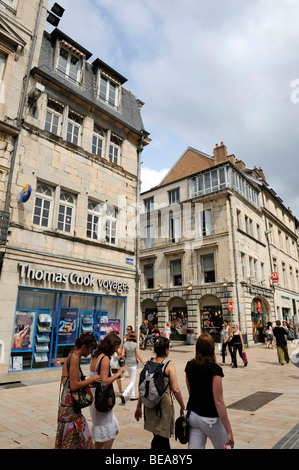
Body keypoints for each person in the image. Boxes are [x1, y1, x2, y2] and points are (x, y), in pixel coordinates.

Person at [134, 336, 185, 450]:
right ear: (166, 350)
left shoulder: (149, 363)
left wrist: (138, 407)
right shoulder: (168, 364)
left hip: (150, 405)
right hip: (163, 406)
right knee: (162, 439)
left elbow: (142, 387)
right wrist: (182, 406)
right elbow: (176, 390)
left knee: (157, 437)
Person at [185, 333, 234, 449]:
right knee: (224, 447)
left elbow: (191, 392)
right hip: (210, 418)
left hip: (193, 416)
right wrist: (229, 430)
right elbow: (218, 401)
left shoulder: (189, 366)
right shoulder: (214, 369)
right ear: (211, 348)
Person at [55, 332, 101, 449]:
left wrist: (87, 384)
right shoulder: (74, 358)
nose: (90, 353)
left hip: (68, 407)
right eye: (90, 349)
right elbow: (74, 386)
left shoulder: (73, 356)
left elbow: (73, 382)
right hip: (70, 408)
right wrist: (92, 378)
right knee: (82, 439)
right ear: (85, 347)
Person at [89, 333, 125, 449]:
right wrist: (119, 373)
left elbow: (99, 374)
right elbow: (104, 382)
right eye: (117, 347)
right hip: (101, 400)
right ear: (112, 346)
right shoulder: (104, 358)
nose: (117, 350)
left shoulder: (97, 356)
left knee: (113, 431)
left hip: (95, 397)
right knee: (102, 439)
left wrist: (112, 371)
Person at [120, 331, 145, 404]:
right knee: (133, 381)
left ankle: (132, 396)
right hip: (133, 364)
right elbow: (138, 355)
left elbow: (122, 354)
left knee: (132, 379)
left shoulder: (125, 344)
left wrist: (125, 359)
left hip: (127, 364)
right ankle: (124, 394)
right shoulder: (135, 345)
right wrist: (143, 363)